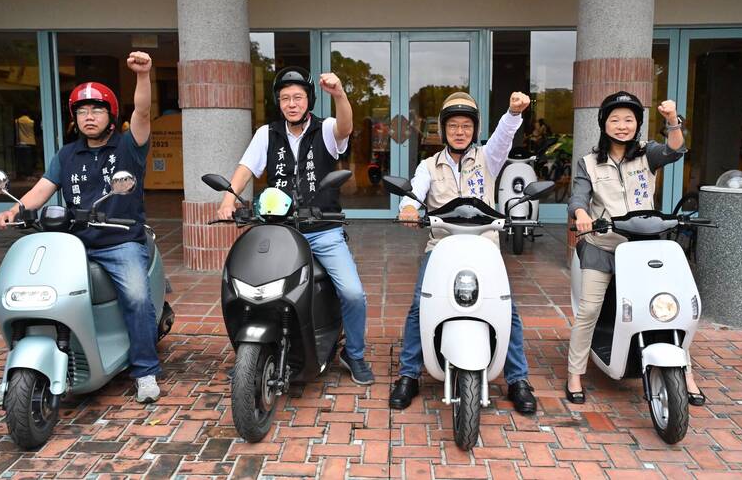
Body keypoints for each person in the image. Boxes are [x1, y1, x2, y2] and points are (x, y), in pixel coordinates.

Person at [0, 51, 162, 405]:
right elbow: (42, 190)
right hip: (72, 243)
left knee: (136, 296)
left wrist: (143, 76)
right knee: (35, 291)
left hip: (120, 241)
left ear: (111, 116)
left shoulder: (129, 147)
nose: (89, 116)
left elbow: (142, 113)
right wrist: (14, 210)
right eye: (82, 111)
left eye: (96, 110)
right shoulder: (67, 155)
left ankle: (145, 371)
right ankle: (16, 374)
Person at [216, 66, 374, 385]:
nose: (291, 104)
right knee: (251, 287)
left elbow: (345, 127)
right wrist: (228, 199)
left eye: (298, 97)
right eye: (285, 98)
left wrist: (340, 94)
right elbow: (246, 168)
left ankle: (354, 354)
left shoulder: (325, 129)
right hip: (279, 230)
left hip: (323, 231)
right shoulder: (267, 134)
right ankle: (253, 351)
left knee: (353, 293)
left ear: (309, 100)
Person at [389, 91, 540, 414]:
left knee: (508, 309)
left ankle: (518, 379)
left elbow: (503, 137)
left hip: (484, 247)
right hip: (441, 248)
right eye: (453, 126)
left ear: (475, 130)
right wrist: (409, 209)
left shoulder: (488, 158)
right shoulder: (429, 166)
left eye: (467, 126)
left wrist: (513, 113)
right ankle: (408, 374)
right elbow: (414, 194)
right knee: (419, 305)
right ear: (443, 129)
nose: (460, 132)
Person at [566, 91, 704, 405]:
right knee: (589, 309)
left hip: (644, 248)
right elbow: (578, 197)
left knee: (668, 307)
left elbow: (675, 149)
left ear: (637, 124)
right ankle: (575, 373)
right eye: (615, 119)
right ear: (604, 124)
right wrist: (582, 214)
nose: (622, 126)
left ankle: (686, 373)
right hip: (603, 245)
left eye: (629, 119)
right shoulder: (589, 162)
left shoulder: (647, 154)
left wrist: (672, 120)